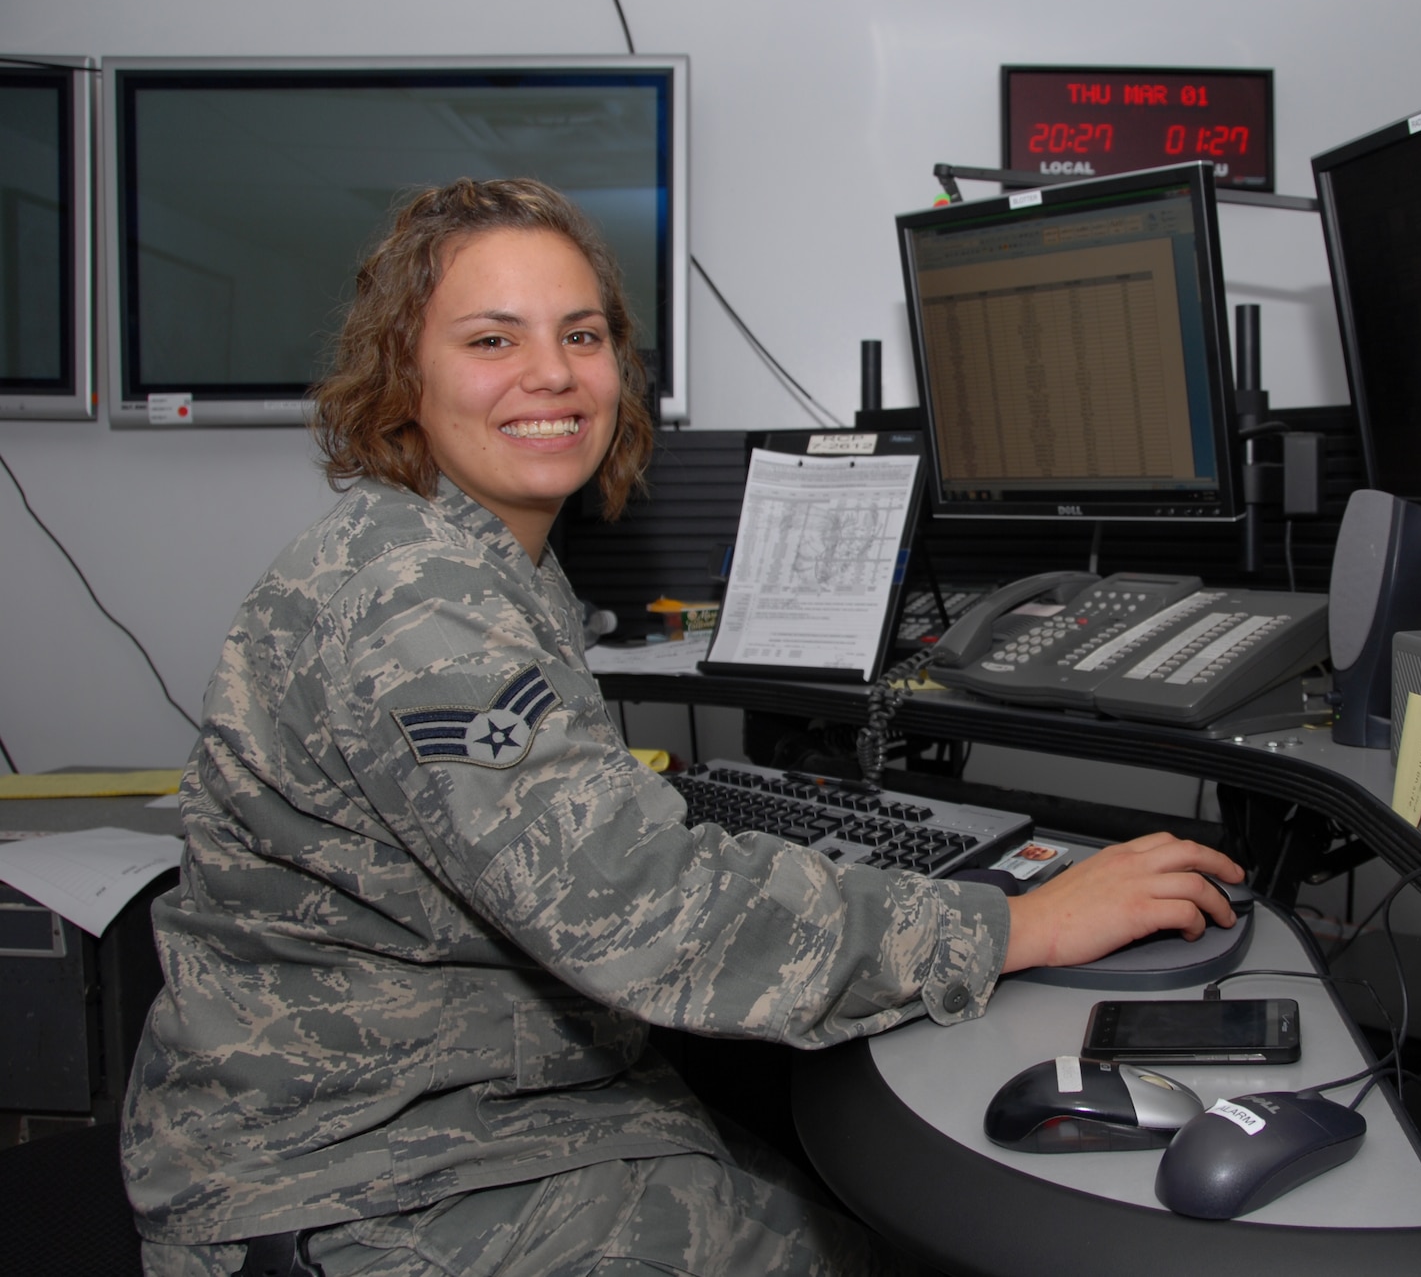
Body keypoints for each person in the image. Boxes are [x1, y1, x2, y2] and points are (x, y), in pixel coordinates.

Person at [122, 177, 1243, 1277]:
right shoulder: (420, 600)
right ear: (402, 375)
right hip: (356, 1176)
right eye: (491, 341)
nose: (553, 374)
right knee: (877, 1240)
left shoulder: (464, 554)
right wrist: (1018, 926)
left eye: (581, 333)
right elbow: (644, 906)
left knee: (835, 1180)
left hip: (449, 1106)